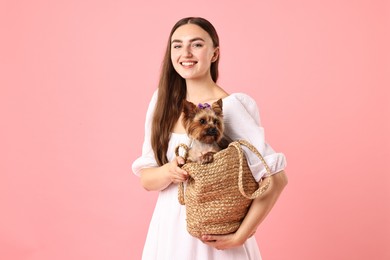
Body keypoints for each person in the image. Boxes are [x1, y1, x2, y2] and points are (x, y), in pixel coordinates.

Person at [132, 17, 288, 260]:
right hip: (168, 236)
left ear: (214, 54)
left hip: (216, 243)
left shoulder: (231, 107)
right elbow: (147, 178)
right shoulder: (161, 103)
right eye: (177, 45)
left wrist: (240, 236)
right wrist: (170, 172)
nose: (186, 53)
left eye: (196, 45)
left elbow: (276, 179)